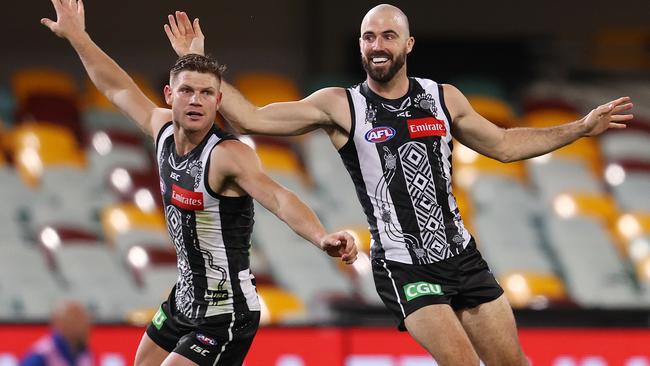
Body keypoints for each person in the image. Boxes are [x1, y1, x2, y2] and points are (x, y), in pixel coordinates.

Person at [165, 4, 635, 365]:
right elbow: (249, 117)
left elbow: (505, 145)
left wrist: (578, 128)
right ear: (361, 47)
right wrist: (196, 60)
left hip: (462, 257)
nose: (377, 44)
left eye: (388, 35)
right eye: (368, 36)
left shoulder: (441, 98)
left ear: (409, 44)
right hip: (404, 267)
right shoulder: (340, 105)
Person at [41, 1, 358, 365]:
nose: (196, 100)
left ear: (219, 101)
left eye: (207, 93)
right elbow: (117, 88)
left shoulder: (227, 156)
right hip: (184, 300)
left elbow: (279, 197)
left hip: (226, 314)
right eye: (187, 91)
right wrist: (78, 37)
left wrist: (322, 237)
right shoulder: (160, 130)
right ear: (168, 95)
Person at [21, 300, 93, 366]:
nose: (84, 326)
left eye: (85, 320)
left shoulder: (85, 353)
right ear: (59, 324)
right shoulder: (43, 355)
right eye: (76, 321)